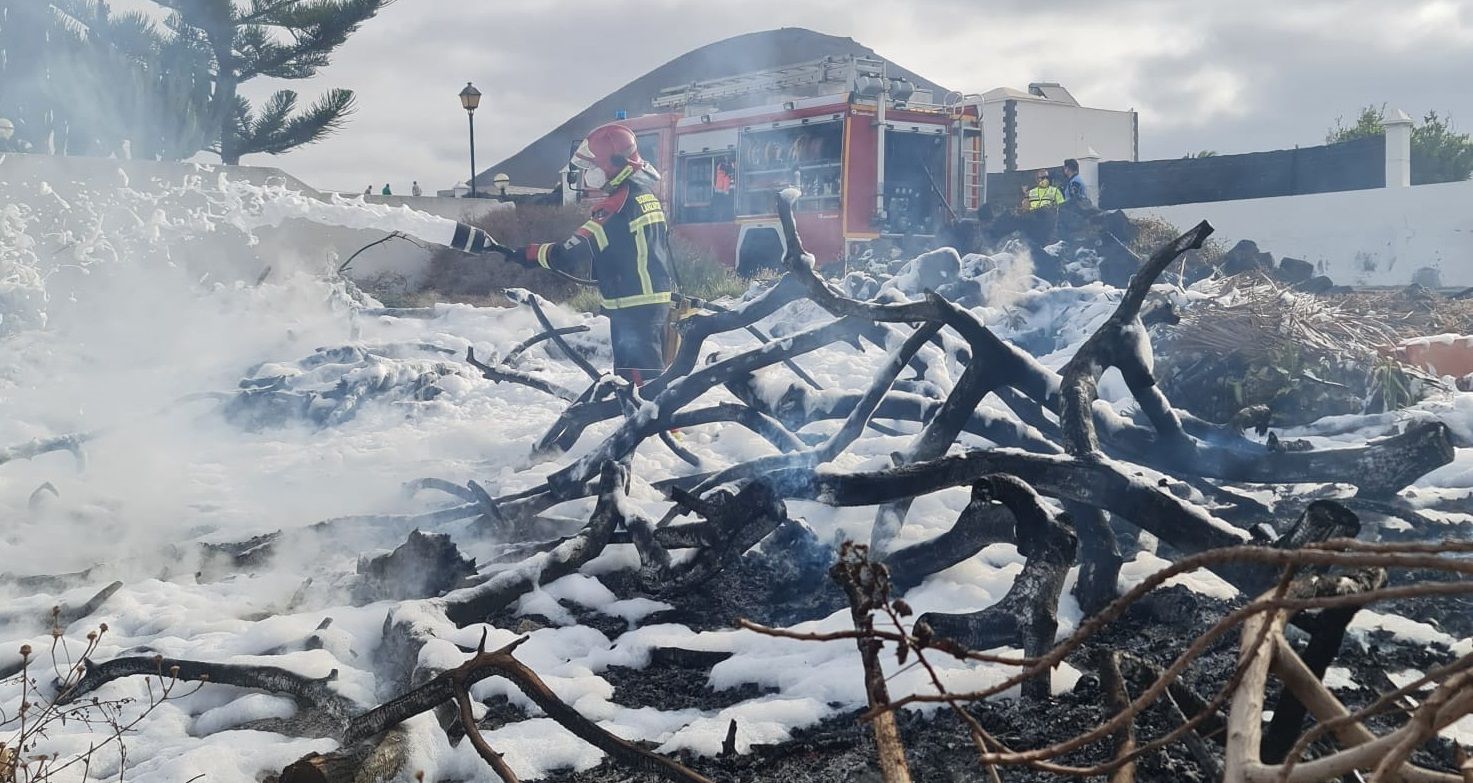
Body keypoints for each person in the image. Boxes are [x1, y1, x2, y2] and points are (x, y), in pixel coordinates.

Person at [510, 122, 675, 384]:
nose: (590, 175)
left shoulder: (615, 207)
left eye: (595, 167)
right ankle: (654, 422)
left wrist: (530, 254)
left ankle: (658, 424)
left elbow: (569, 253)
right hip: (651, 300)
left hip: (633, 305)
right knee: (648, 375)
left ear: (615, 163)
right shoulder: (644, 195)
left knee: (640, 382)